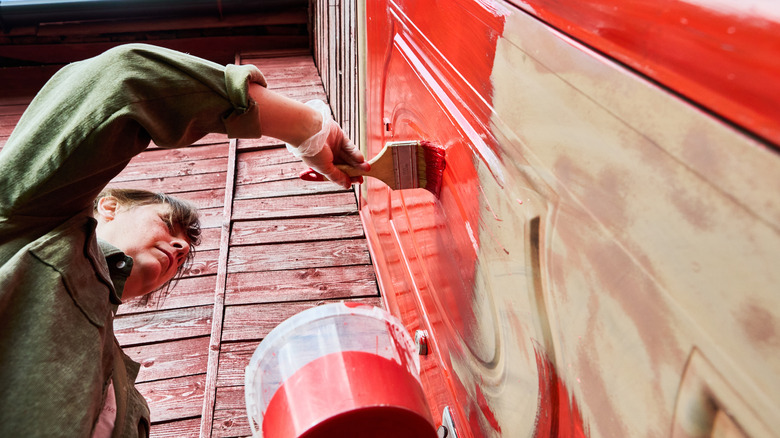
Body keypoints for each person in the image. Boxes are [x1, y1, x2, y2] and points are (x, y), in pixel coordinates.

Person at [0, 43, 370, 437]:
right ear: (108, 207)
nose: (180, 249)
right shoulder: (32, 222)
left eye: (184, 250)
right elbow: (124, 79)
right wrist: (310, 129)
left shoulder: (123, 389)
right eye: (168, 225)